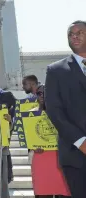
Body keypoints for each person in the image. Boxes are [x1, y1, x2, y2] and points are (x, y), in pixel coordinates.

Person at [45, 20, 86, 198]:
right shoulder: (56, 70)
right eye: (71, 34)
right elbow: (55, 111)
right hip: (75, 154)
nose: (75, 36)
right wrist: (81, 142)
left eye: (80, 32)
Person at [29, 85, 71, 198]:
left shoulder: (62, 113)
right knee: (43, 193)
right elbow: (28, 139)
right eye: (39, 93)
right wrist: (32, 147)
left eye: (44, 92)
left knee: (63, 193)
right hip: (41, 159)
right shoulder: (30, 114)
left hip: (60, 158)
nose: (41, 95)